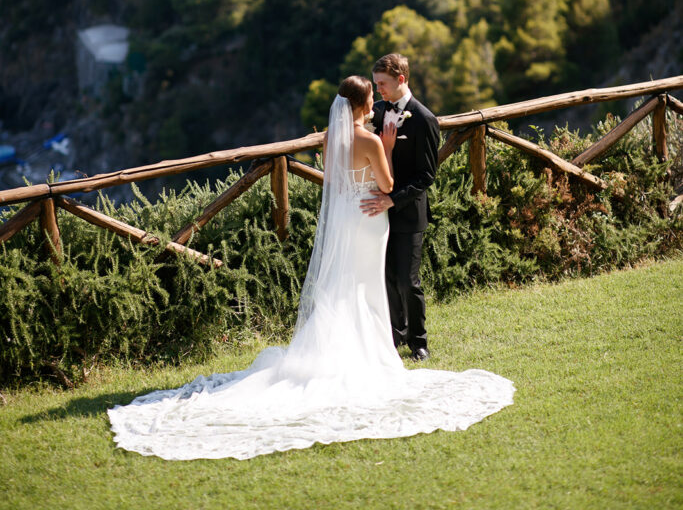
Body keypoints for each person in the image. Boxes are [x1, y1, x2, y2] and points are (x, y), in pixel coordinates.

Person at [108, 76, 514, 461]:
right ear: (360, 105)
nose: (376, 103)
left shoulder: (328, 140)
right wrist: (386, 147)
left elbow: (335, 183)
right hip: (370, 219)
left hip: (345, 218)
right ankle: (369, 353)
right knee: (366, 286)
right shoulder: (371, 139)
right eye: (371, 99)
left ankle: (341, 348)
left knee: (343, 285)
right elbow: (387, 186)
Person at [361, 53, 439, 361]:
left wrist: (393, 198)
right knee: (388, 277)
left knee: (408, 280)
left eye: (382, 83)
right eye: (376, 83)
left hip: (408, 212)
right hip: (378, 214)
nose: (378, 89)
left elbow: (426, 175)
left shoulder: (423, 119)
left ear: (401, 80)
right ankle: (395, 336)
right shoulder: (376, 112)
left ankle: (418, 342)